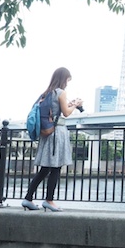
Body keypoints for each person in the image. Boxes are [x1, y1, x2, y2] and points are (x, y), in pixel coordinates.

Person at [22, 67, 83, 212]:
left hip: (46, 132)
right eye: (68, 80)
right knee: (56, 167)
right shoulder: (61, 92)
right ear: (64, 79)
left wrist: (68, 105)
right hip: (57, 133)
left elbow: (55, 111)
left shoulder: (46, 93)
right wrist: (75, 104)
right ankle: (49, 200)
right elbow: (66, 114)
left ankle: (28, 198)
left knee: (45, 169)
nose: (68, 83)